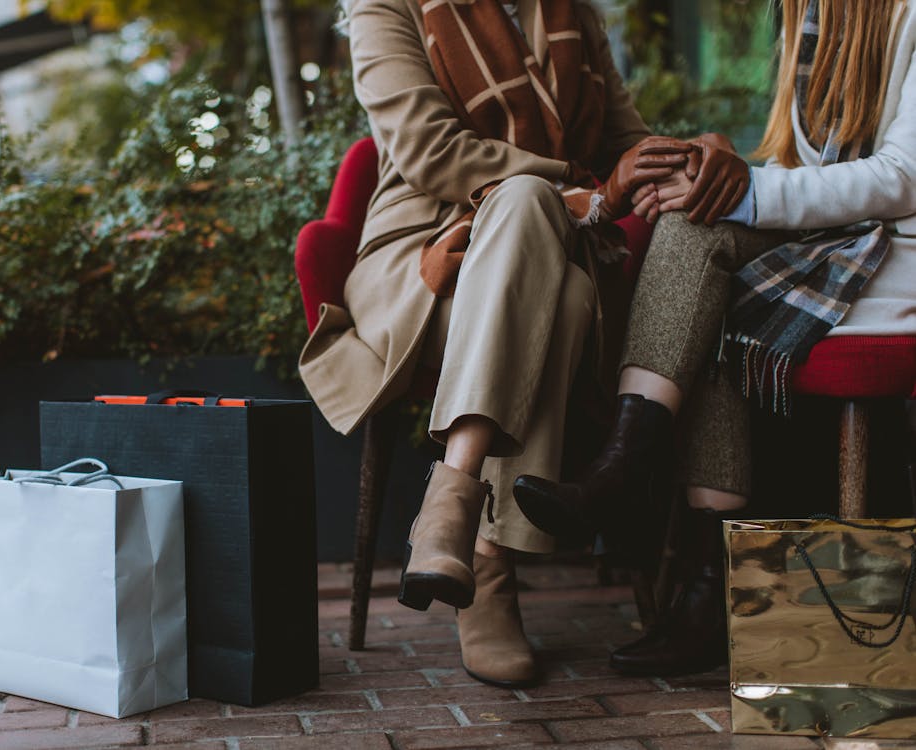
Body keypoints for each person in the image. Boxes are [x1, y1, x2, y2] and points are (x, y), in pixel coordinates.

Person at [514, 0, 916, 676]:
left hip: (898, 255)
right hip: (845, 239)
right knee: (689, 222)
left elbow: (901, 178)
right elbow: (807, 167)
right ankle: (636, 485)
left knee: (710, 271)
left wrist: (747, 192)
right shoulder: (813, 15)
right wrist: (712, 171)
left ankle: (660, 528)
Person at [301, 0, 695, 688]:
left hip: (554, 259)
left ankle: (452, 517)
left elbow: (625, 143)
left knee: (555, 277)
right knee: (535, 236)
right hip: (426, 261)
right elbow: (428, 148)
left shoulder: (570, 10)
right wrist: (585, 197)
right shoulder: (384, 6)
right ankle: (487, 564)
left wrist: (692, 158)